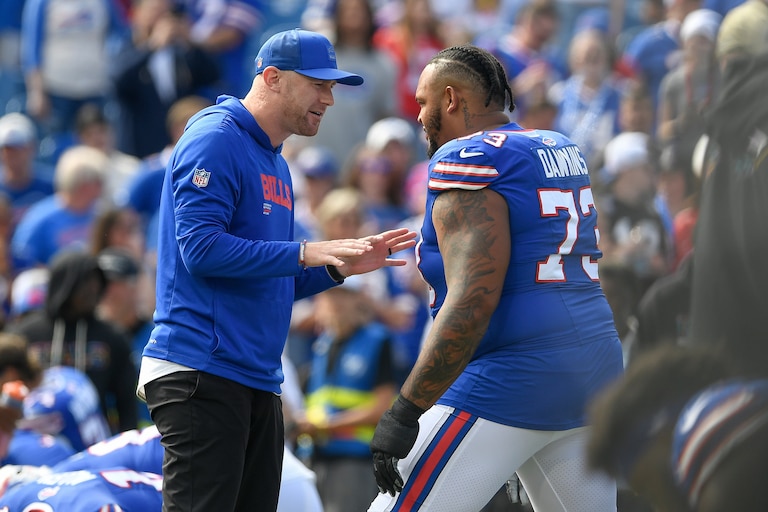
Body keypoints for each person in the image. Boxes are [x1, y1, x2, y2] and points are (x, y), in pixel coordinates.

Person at [136, 28, 417, 512]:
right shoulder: (215, 137)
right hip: (203, 369)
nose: (330, 99)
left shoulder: (276, 161)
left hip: (254, 377)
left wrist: (336, 268)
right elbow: (200, 251)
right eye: (318, 84)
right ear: (272, 78)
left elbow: (270, 276)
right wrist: (306, 251)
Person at [368, 44, 623, 512]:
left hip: (514, 375)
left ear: (451, 99)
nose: (419, 115)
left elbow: (472, 300)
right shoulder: (557, 145)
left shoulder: (468, 158)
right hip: (595, 367)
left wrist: (406, 409)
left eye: (424, 102)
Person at [8, 250, 138, 434]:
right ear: (65, 284)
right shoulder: (25, 335)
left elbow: (126, 407)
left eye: (96, 281)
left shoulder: (113, 338)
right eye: (85, 281)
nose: (93, 289)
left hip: (92, 443)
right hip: (34, 437)